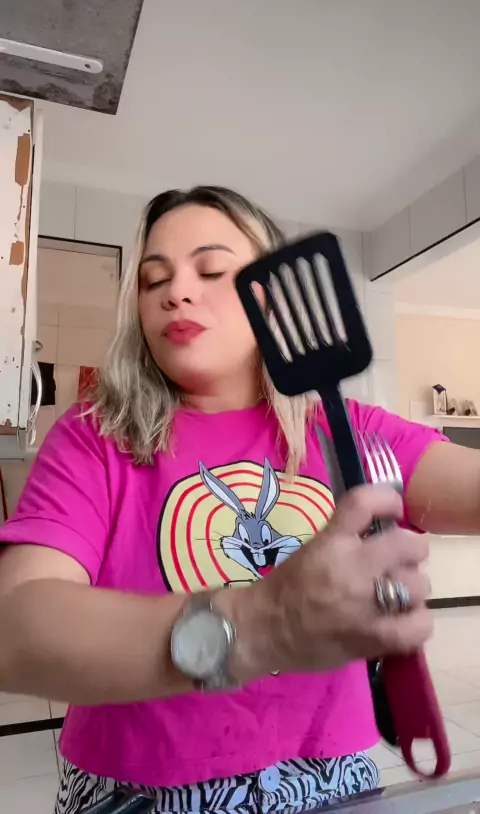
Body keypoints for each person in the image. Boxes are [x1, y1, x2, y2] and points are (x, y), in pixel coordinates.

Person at [0, 186, 479, 814]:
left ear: (272, 299)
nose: (176, 291)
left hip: (330, 779)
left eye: (211, 270)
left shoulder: (347, 430)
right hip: (139, 792)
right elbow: (15, 629)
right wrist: (260, 623)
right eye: (153, 279)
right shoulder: (96, 437)